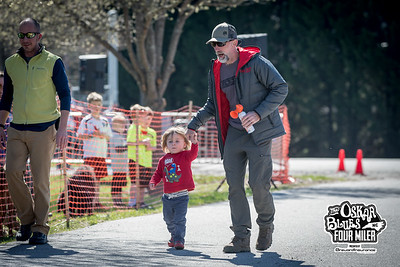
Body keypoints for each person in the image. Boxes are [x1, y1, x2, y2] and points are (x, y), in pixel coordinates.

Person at [186, 22, 288, 253]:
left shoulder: (256, 63)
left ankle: (266, 225)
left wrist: (258, 113)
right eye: (214, 45)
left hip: (259, 132)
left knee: (258, 185)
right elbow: (212, 104)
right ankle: (241, 238)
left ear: (234, 43)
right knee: (234, 187)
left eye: (221, 44)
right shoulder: (217, 69)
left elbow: (280, 88)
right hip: (233, 132)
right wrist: (193, 126)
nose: (217, 48)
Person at [0, 18, 71, 244]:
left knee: (40, 179)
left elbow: (65, 95)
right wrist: (1, 125)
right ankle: (27, 220)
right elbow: (6, 97)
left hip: (45, 128)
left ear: (39, 37)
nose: (25, 39)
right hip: (16, 128)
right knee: (11, 171)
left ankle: (40, 227)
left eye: (30, 35)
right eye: (21, 35)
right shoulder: (11, 63)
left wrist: (63, 129)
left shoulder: (53, 61)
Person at [150, 126, 198, 250]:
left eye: (177, 141)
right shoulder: (163, 160)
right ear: (166, 144)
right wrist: (153, 181)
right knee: (168, 220)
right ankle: (173, 235)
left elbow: (194, 153)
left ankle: (179, 240)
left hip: (181, 197)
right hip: (167, 198)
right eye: (170, 141)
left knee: (179, 220)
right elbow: (158, 173)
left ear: (184, 144)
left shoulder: (186, 156)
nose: (174, 144)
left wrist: (194, 142)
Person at [77, 92, 112, 209]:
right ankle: (88, 201)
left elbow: (109, 136)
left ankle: (96, 201)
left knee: (98, 179)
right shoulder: (86, 120)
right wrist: (91, 135)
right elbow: (79, 135)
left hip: (101, 154)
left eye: (98, 104)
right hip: (90, 154)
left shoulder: (105, 121)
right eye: (93, 105)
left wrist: (102, 135)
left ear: (101, 106)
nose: (96, 107)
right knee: (89, 180)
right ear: (89, 106)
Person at [127, 105, 157, 208]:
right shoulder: (134, 128)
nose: (147, 121)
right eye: (145, 118)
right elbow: (129, 142)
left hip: (146, 162)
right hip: (135, 160)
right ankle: (132, 203)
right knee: (135, 183)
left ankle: (141, 202)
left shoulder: (152, 132)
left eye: (149, 119)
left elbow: (153, 148)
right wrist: (142, 142)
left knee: (143, 184)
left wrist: (149, 146)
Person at [109, 113, 128, 207]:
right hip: (117, 165)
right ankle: (115, 200)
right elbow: (118, 148)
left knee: (120, 183)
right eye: (122, 125)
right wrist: (129, 146)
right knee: (117, 183)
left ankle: (119, 199)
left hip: (122, 165)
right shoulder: (115, 136)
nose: (124, 127)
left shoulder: (120, 136)